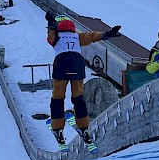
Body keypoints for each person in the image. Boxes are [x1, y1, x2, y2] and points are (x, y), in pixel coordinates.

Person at [45, 11, 121, 146]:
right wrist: (106, 34)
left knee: (58, 98)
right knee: (78, 98)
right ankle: (84, 128)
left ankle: (57, 128)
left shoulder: (56, 36)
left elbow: (50, 38)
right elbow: (92, 36)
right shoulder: (77, 36)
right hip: (77, 67)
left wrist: (51, 25)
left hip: (62, 66)